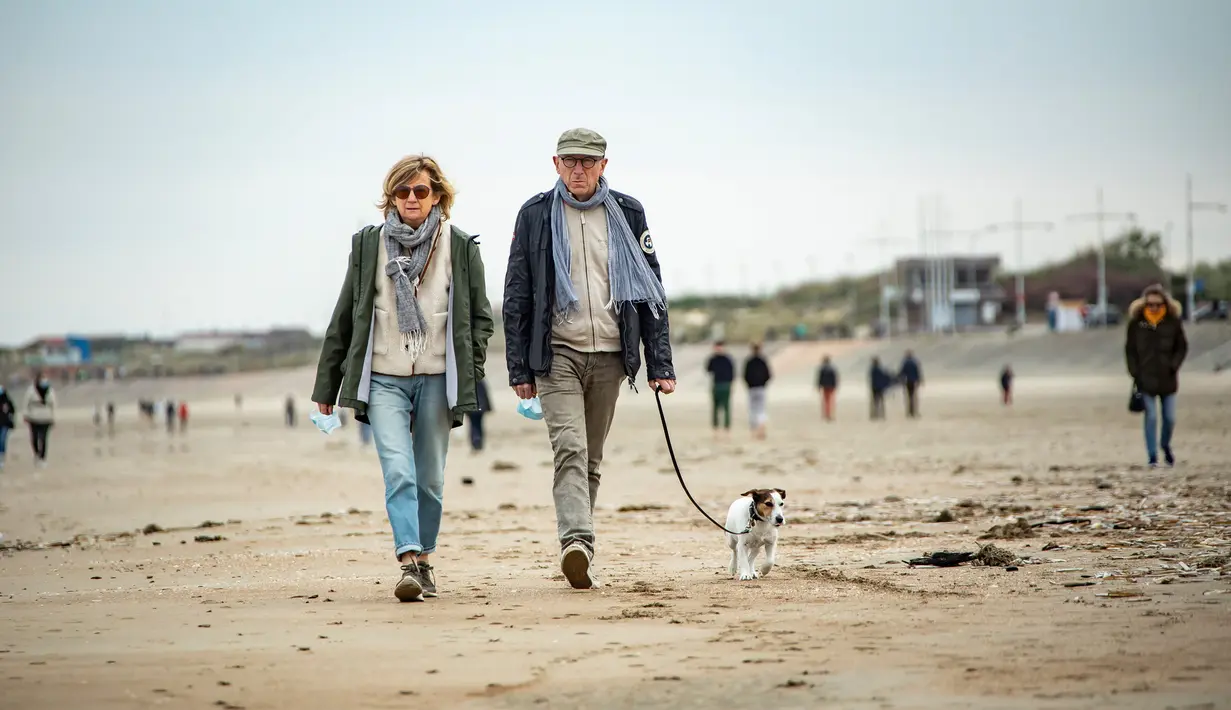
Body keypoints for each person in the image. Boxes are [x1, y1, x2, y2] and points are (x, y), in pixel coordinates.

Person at [313, 154, 494, 602]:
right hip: (383, 378)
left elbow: (481, 318)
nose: (412, 199)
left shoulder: (460, 246)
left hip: (436, 377)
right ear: (390, 197)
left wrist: (471, 366)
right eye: (402, 191)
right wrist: (326, 387)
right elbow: (345, 317)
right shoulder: (369, 246)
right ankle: (409, 559)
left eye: (421, 191)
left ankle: (427, 561)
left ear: (438, 196)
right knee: (399, 471)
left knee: (429, 477)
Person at [503, 128, 675, 590]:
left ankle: (581, 547)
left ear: (603, 165)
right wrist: (519, 368)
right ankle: (576, 541)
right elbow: (517, 294)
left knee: (591, 458)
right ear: (555, 164)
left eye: (588, 161)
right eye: (570, 161)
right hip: (556, 351)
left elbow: (651, 290)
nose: (579, 169)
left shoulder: (628, 211)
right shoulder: (536, 214)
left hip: (611, 355)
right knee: (570, 450)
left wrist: (660, 365)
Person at [1125, 284, 1188, 467]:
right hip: (1145, 379)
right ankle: (1152, 456)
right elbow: (1129, 350)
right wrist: (1134, 371)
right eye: (1150, 304)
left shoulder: (1173, 322)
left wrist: (1174, 365)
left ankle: (1165, 445)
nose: (1153, 308)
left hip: (1168, 378)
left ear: (1165, 304)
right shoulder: (1136, 323)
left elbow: (1182, 347)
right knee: (1151, 416)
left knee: (1169, 418)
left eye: (1157, 304)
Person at [23, 373, 55, 467]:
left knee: (44, 438)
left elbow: (53, 404)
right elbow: (26, 402)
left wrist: (53, 417)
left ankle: (42, 457)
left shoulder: (50, 391)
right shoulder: (31, 390)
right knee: (34, 438)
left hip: (46, 417)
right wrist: (25, 415)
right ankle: (36, 453)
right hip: (34, 417)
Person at [705, 341, 735, 437]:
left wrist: (731, 385)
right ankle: (716, 429)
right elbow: (708, 369)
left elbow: (732, 373)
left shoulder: (728, 359)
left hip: (725, 384)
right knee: (715, 408)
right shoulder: (713, 359)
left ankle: (727, 429)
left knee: (726, 408)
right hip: (716, 384)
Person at [743, 343, 772, 439]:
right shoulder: (763, 361)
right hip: (761, 388)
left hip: (752, 388)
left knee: (752, 410)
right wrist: (764, 384)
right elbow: (768, 375)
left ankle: (754, 432)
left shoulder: (749, 362)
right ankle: (761, 429)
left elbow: (745, 376)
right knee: (761, 410)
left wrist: (749, 384)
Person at [467, 379, 492, 452]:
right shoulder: (480, 380)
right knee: (478, 424)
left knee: (473, 424)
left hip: (472, 407)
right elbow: (485, 394)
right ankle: (478, 442)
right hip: (480, 407)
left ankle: (476, 442)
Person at [898, 350, 923, 417]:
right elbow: (918, 372)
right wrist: (920, 380)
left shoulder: (905, 362)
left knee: (909, 397)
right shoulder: (914, 362)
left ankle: (909, 412)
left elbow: (902, 372)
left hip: (908, 381)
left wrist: (899, 379)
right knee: (914, 397)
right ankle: (914, 411)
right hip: (914, 381)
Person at [818, 355, 839, 421]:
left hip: (825, 386)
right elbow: (835, 378)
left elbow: (820, 379)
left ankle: (827, 414)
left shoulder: (822, 369)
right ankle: (831, 414)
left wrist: (819, 386)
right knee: (831, 400)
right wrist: (835, 385)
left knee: (826, 401)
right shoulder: (832, 368)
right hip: (831, 386)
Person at [0, 384, 15, 470]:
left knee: (2, 440)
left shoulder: (6, 400)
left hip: (4, 423)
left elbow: (12, 409)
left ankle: (1, 457)